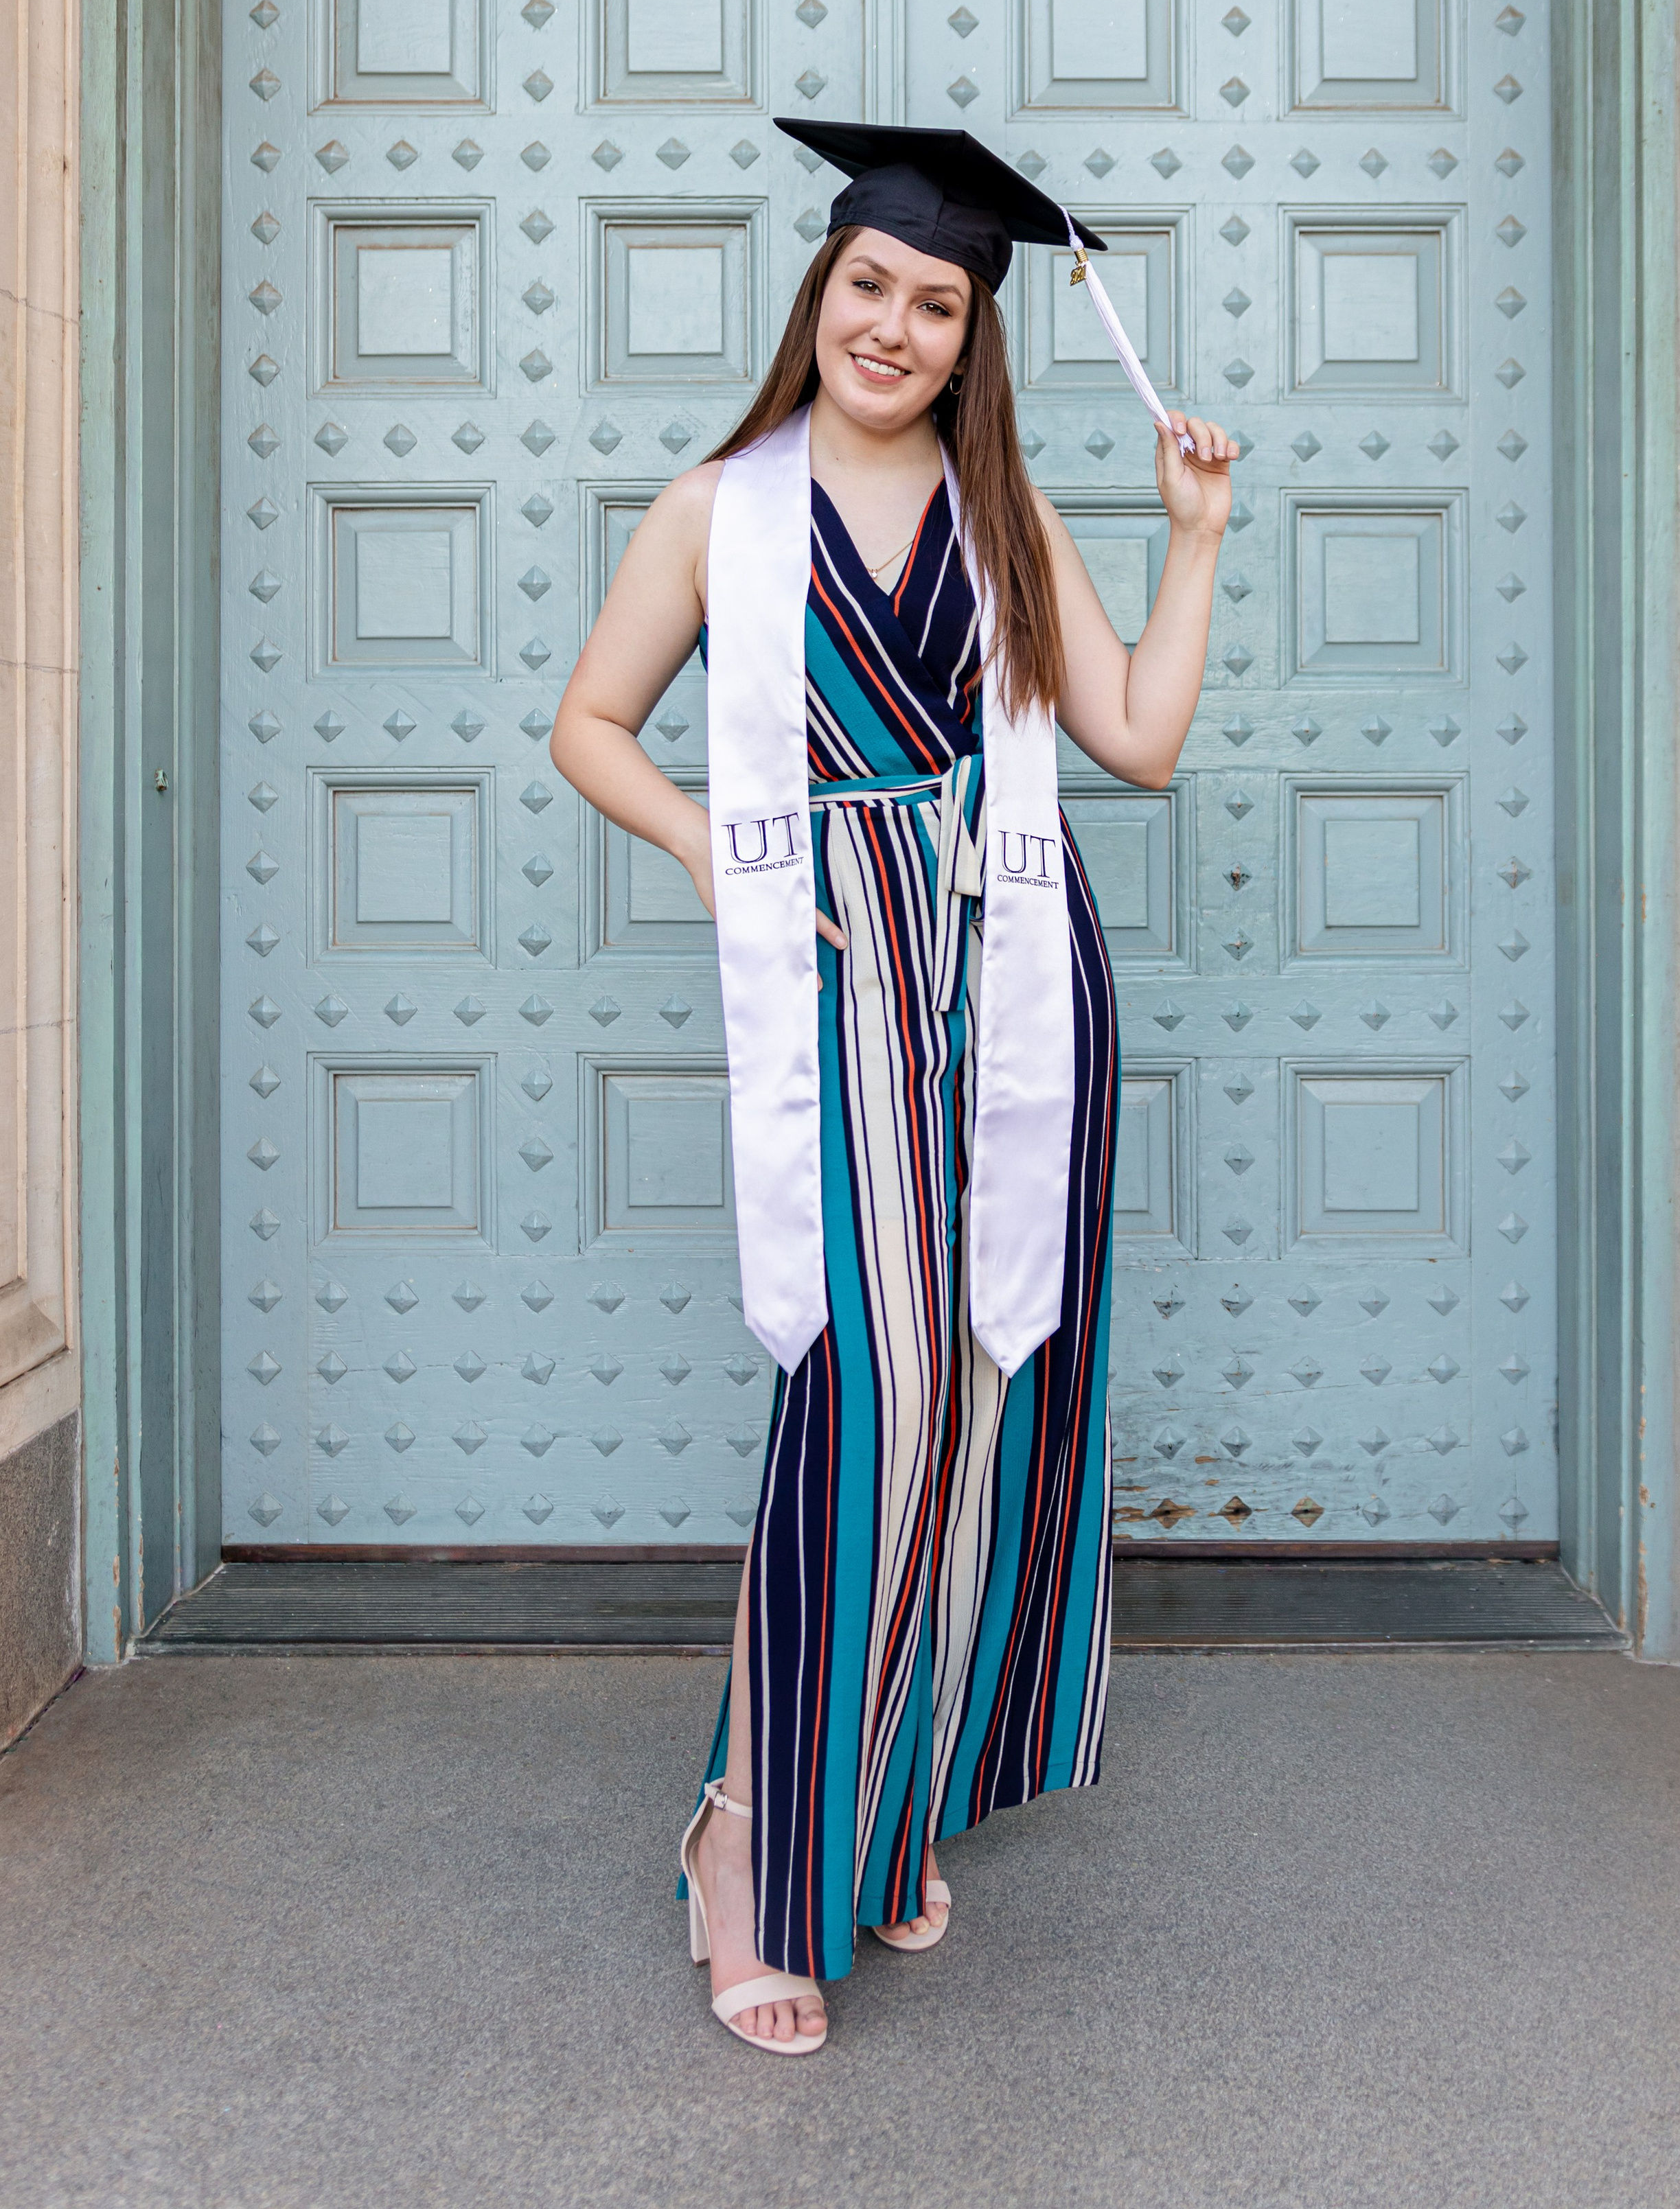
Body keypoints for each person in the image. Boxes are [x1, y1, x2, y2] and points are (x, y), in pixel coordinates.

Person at [550, 124, 1236, 2056]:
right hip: (833, 977)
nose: (896, 325)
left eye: (938, 304)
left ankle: (876, 1804)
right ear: (823, 293)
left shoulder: (1005, 518)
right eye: (872, 284)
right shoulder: (720, 509)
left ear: (970, 338)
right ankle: (752, 1842)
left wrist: (1194, 543)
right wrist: (719, 857)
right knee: (868, 1390)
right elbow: (588, 726)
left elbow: (1139, 739)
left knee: (984, 1391)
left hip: (1017, 979)